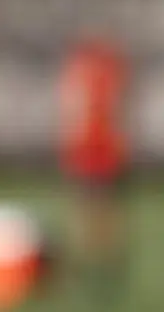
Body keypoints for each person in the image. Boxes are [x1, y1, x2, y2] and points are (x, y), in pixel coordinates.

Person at [59, 34, 130, 306]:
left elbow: (74, 113)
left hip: (90, 150)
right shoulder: (110, 69)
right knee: (103, 211)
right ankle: (103, 264)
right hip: (105, 151)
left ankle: (89, 265)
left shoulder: (81, 69)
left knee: (88, 211)